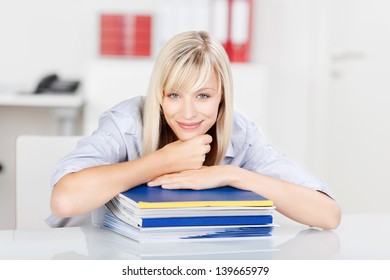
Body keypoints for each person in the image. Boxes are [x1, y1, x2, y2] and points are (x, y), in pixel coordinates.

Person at [50, 31, 341, 230]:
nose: (188, 113)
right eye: (174, 95)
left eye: (203, 96)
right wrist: (162, 161)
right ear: (159, 96)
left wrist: (232, 174)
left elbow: (327, 215)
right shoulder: (127, 121)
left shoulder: (241, 133)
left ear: (222, 97)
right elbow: (64, 201)